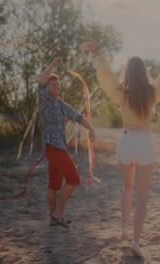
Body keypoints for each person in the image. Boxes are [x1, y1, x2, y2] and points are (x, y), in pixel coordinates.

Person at [81, 41, 160, 258]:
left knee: (127, 187)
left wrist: (99, 52)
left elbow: (106, 77)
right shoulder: (151, 93)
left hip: (126, 140)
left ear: (128, 72)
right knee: (142, 197)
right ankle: (136, 242)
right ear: (144, 72)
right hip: (143, 142)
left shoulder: (121, 93)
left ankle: (123, 228)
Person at [38, 57, 96, 229]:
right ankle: (59, 213)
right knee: (73, 178)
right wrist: (53, 65)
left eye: (58, 85)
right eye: (53, 85)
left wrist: (91, 129)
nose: (56, 87)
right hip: (53, 147)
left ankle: (52, 218)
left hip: (58, 147)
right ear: (48, 88)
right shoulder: (45, 99)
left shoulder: (62, 105)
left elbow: (78, 117)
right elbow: (41, 81)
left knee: (54, 184)